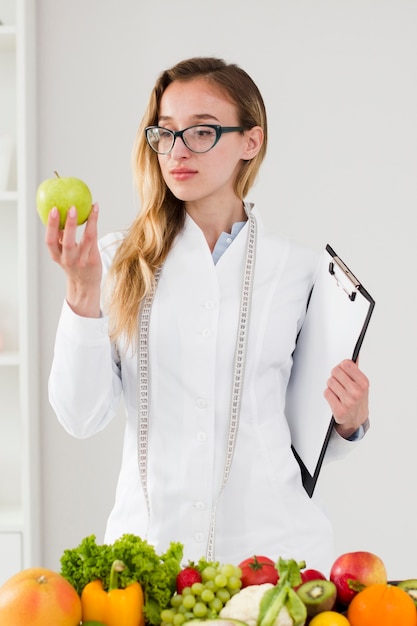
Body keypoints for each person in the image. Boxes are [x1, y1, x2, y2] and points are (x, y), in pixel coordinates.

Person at [46, 56, 370, 574]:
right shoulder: (114, 259)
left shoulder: (299, 271)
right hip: (151, 557)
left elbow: (307, 436)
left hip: (275, 553)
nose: (177, 151)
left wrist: (351, 422)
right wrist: (82, 292)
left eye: (201, 132)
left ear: (251, 141)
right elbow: (80, 416)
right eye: (166, 132)